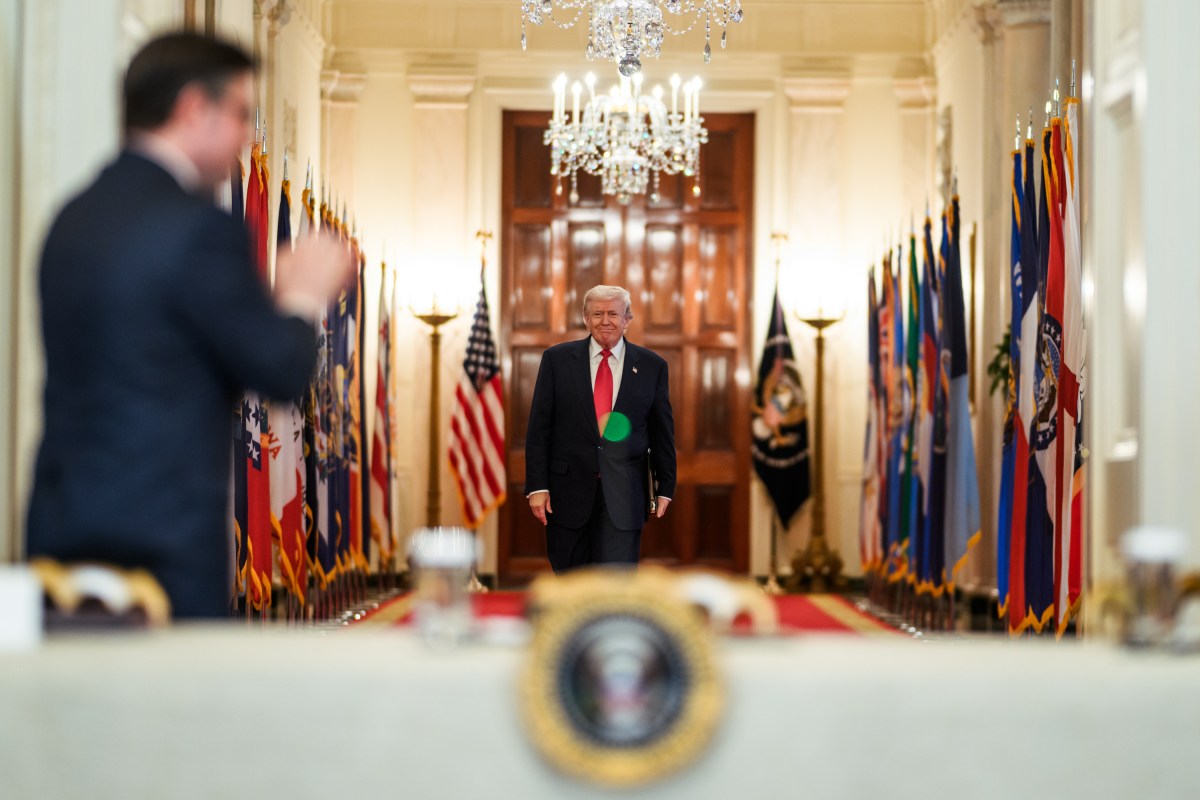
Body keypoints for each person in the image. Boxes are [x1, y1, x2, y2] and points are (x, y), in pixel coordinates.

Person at [24, 32, 354, 619]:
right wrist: (302, 296)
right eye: (239, 114)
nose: (242, 137)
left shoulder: (71, 220)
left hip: (62, 531)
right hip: (163, 544)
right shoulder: (198, 229)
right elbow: (279, 371)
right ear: (193, 108)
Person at [525, 285, 677, 572]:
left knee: (615, 588)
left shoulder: (652, 366)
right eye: (597, 313)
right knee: (570, 585)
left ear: (627, 319)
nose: (605, 320)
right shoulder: (557, 360)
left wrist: (665, 486)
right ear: (585, 318)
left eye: (613, 314)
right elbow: (539, 428)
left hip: (625, 496)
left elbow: (662, 432)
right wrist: (537, 486)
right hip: (566, 496)